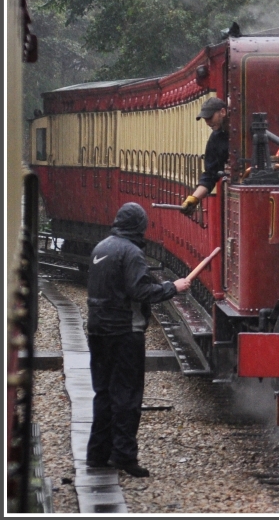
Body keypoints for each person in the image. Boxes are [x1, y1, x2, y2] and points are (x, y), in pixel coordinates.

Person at [85, 203, 190, 477]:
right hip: (124, 332)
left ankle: (97, 454)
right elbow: (139, 290)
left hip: (97, 331)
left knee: (104, 392)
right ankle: (124, 457)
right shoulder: (131, 253)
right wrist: (172, 288)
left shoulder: (101, 248)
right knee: (127, 397)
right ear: (139, 226)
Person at [181, 96, 229, 215]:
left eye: (209, 117)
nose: (207, 122)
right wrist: (194, 198)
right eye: (205, 119)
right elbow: (211, 174)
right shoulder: (215, 139)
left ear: (222, 112)